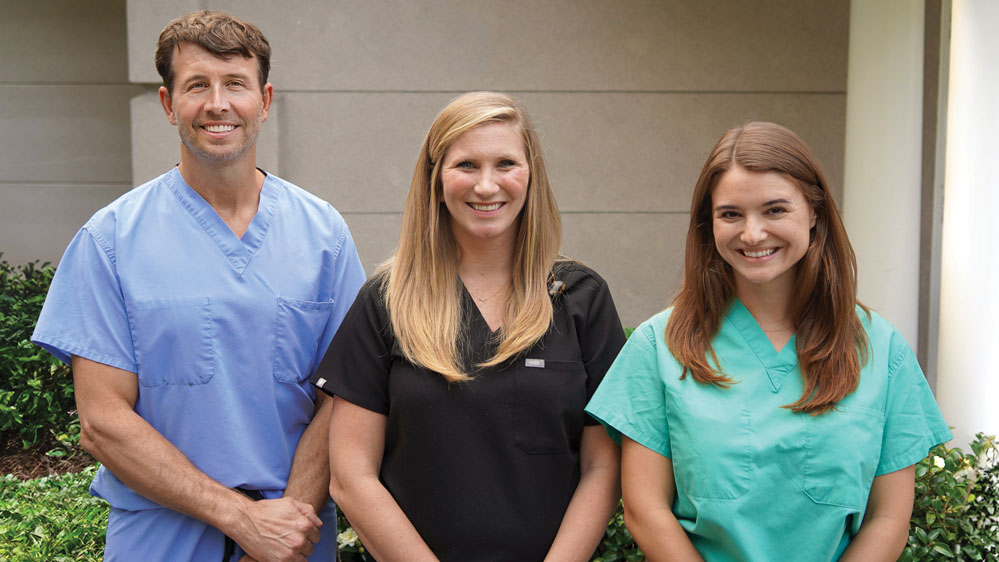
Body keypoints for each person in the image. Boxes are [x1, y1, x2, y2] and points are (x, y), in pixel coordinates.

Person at [32, 11, 365, 562]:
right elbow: (103, 422)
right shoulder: (111, 239)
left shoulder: (323, 234)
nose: (218, 103)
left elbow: (346, 397)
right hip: (160, 539)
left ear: (265, 99)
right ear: (168, 104)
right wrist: (240, 519)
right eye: (196, 86)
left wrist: (282, 525)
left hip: (294, 537)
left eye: (236, 83)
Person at [585, 121, 952, 561]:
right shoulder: (657, 347)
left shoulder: (879, 349)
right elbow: (646, 511)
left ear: (815, 212)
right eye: (731, 214)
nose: (752, 234)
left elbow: (887, 519)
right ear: (709, 224)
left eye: (775, 210)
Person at [311, 91, 625, 561]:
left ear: (531, 176)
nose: (486, 185)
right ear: (436, 181)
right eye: (466, 166)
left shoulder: (580, 298)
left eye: (505, 163)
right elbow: (352, 477)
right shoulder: (387, 301)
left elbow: (604, 465)